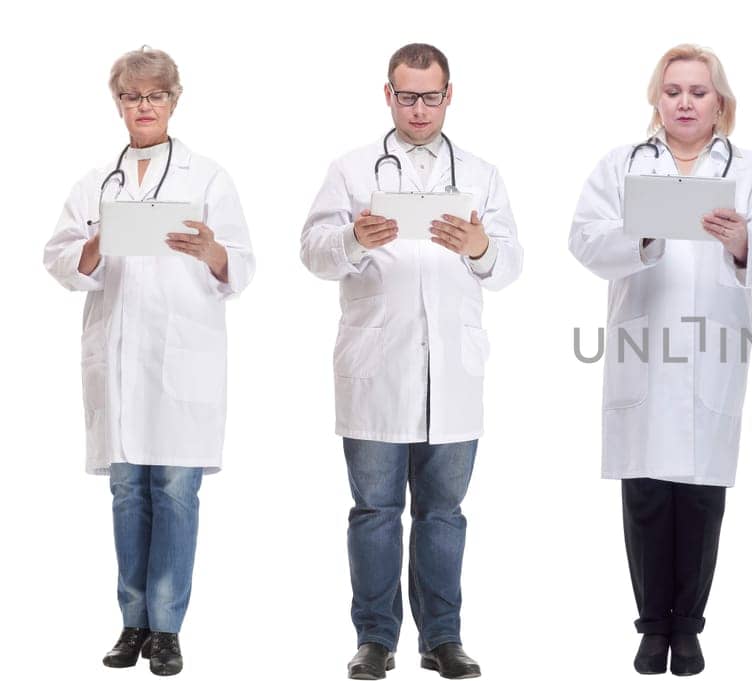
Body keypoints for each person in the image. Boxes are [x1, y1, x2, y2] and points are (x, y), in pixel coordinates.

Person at [569, 43, 752, 677]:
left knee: (700, 498)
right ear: (656, 99)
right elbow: (585, 239)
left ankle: (689, 628)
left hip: (712, 347)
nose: (685, 102)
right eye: (673, 91)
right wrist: (640, 235)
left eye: (699, 92)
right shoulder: (622, 165)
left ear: (720, 102)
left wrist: (744, 239)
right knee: (645, 493)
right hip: (643, 346)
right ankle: (651, 628)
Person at [300, 42, 523, 681]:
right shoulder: (351, 169)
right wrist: (351, 238)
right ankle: (375, 640)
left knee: (443, 514)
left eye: (430, 96)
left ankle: (443, 639)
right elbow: (313, 252)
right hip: (377, 366)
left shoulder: (480, 172)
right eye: (407, 95)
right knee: (373, 512)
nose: (419, 109)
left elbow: (509, 265)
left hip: (453, 370)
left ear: (449, 96)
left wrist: (480, 245)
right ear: (388, 95)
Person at [43, 45, 256, 677]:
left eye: (155, 96)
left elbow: (241, 265)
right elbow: (58, 260)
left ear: (173, 101)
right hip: (118, 359)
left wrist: (214, 250)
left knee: (176, 494)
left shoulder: (208, 177)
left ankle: (166, 630)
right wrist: (97, 241)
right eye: (132, 96)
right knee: (128, 495)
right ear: (117, 103)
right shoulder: (94, 183)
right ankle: (131, 623)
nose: (144, 106)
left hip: (185, 357)